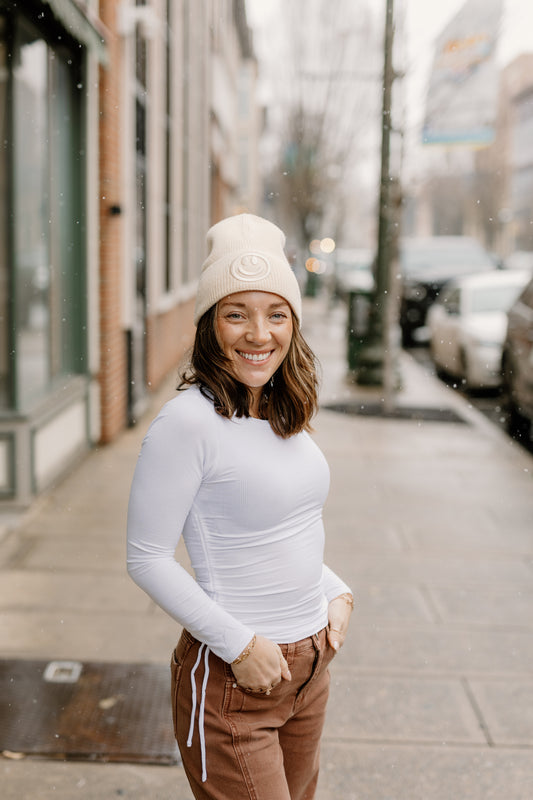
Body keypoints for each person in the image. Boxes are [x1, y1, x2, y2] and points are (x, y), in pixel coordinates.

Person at [127, 213, 353, 800]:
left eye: (276, 314)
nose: (259, 334)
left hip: (310, 670)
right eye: (236, 313)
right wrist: (240, 646)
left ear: (293, 324)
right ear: (210, 325)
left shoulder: (282, 408)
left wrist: (334, 590)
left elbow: (283, 522)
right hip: (236, 680)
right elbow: (146, 558)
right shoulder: (186, 424)